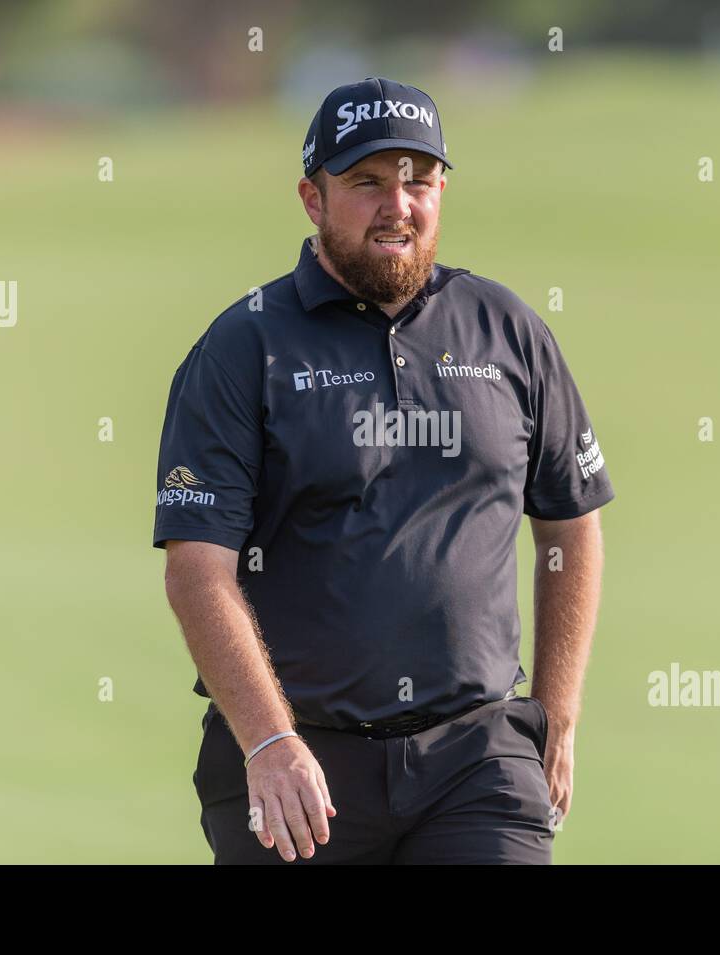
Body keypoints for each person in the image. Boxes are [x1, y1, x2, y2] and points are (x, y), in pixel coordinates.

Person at [154, 77, 612, 864]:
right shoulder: (244, 349)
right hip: (297, 763)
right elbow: (199, 570)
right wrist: (267, 741)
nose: (397, 203)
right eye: (367, 182)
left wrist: (557, 711)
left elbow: (570, 522)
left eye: (418, 179)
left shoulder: (505, 329)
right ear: (312, 197)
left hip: (478, 758)